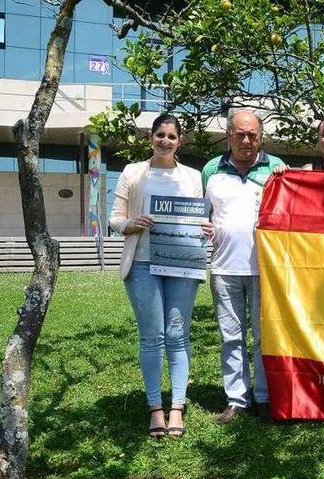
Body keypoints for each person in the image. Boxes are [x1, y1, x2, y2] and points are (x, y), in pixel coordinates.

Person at [109, 113, 210, 438]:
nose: (165, 141)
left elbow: (197, 217)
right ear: (150, 137)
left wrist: (204, 228)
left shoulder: (193, 177)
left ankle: (177, 407)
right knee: (152, 337)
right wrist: (131, 224)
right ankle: (155, 409)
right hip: (141, 264)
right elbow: (115, 219)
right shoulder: (132, 173)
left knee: (178, 333)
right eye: (160, 135)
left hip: (181, 264)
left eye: (171, 136)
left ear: (180, 141)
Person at [202, 109, 285, 424]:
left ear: (261, 136)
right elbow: (201, 213)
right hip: (224, 269)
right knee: (231, 336)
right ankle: (237, 400)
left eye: (252, 134)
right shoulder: (210, 170)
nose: (246, 140)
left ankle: (265, 397)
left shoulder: (277, 167)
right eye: (240, 133)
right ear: (229, 135)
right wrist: (202, 226)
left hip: (266, 268)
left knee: (265, 336)